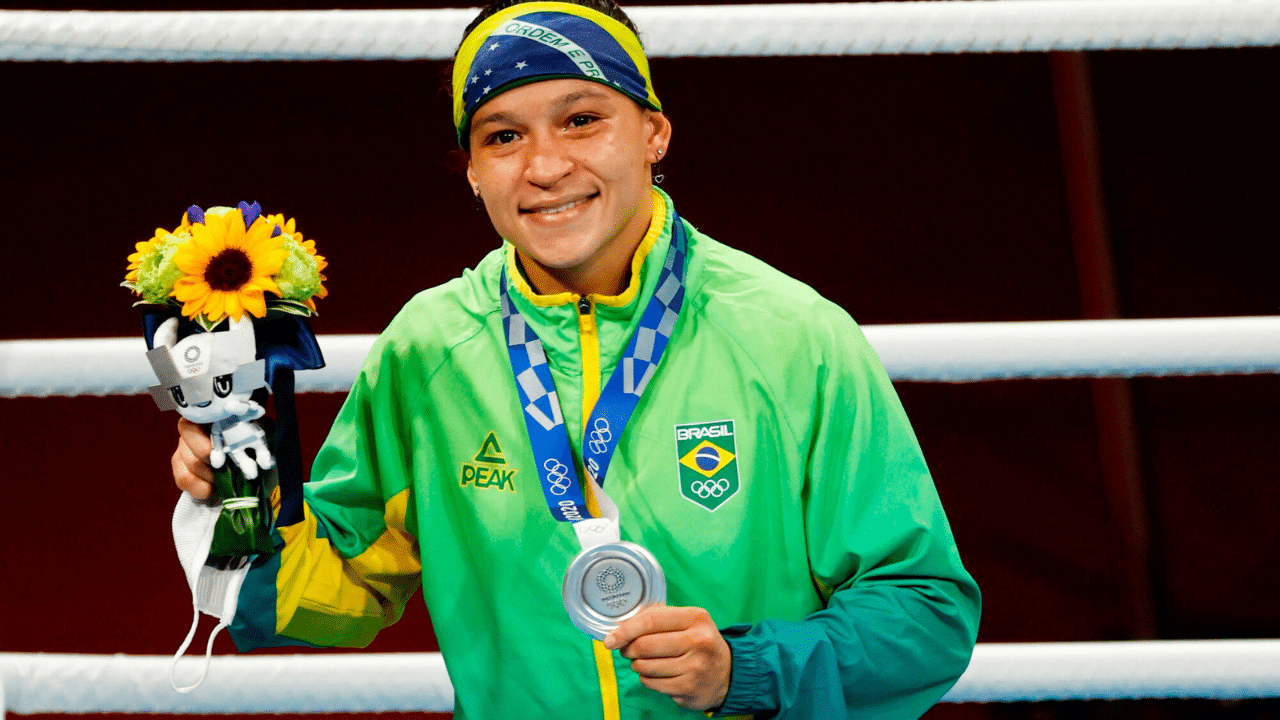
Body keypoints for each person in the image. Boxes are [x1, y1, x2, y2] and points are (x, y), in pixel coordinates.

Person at [171, 0, 981, 717]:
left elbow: (926, 611)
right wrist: (233, 501)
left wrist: (748, 668)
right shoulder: (430, 348)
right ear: (474, 173)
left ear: (654, 132)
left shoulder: (793, 335)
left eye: (582, 119)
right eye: (503, 136)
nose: (547, 166)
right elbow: (327, 591)